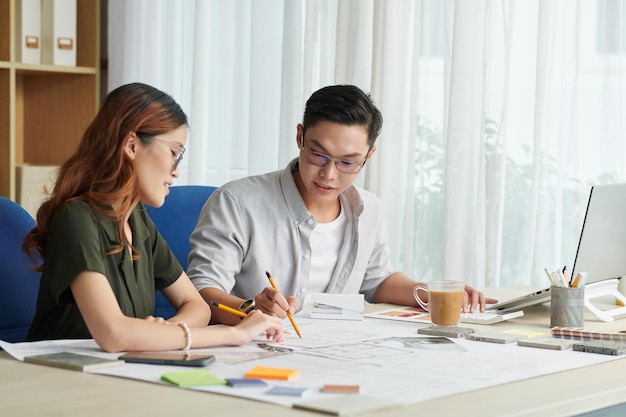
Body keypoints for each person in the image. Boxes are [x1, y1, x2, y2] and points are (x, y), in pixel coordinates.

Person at [187, 84, 497, 326]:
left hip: (334, 352)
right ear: (300, 136)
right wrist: (249, 309)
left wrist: (432, 292)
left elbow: (377, 282)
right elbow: (202, 292)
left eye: (348, 162)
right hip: (254, 348)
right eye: (318, 154)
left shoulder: (368, 210)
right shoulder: (238, 203)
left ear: (369, 156)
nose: (329, 174)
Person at [23, 82, 284, 352]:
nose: (176, 171)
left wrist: (162, 333)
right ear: (132, 145)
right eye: (174, 153)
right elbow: (113, 334)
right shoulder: (75, 219)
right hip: (59, 377)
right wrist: (235, 335)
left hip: (121, 372)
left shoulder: (136, 219)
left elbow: (196, 306)